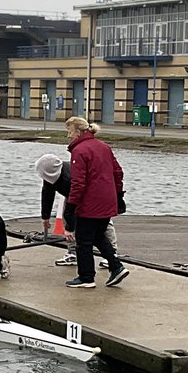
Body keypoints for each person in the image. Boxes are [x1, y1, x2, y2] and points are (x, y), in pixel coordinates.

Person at [63, 117, 129, 289]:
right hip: (107, 201)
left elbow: (78, 183)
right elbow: (118, 172)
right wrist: (118, 195)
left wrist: (70, 206)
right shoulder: (104, 147)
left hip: (90, 203)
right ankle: (116, 267)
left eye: (69, 132)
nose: (68, 136)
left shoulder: (80, 151)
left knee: (83, 241)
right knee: (98, 236)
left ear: (78, 132)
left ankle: (86, 277)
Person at [35, 153, 122, 267]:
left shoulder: (68, 178)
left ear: (49, 171)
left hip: (93, 193)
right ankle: (73, 252)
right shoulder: (49, 178)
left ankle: (112, 252)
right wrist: (45, 217)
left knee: (103, 223)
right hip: (73, 195)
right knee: (68, 216)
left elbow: (75, 206)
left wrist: (70, 228)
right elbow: (47, 194)